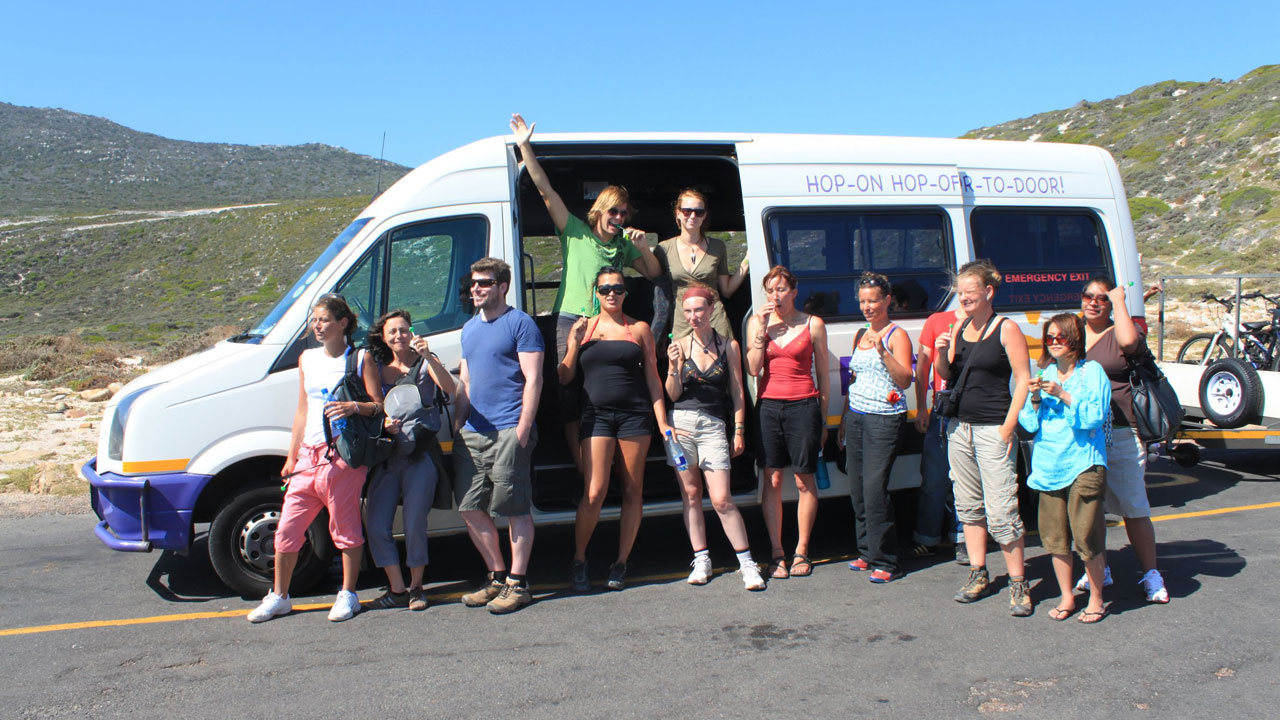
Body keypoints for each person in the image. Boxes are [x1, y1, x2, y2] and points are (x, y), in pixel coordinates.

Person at [510, 114, 660, 477]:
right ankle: (585, 471)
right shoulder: (575, 231)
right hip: (571, 319)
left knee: (599, 389)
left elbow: (654, 274)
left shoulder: (624, 244)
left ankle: (604, 461)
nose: (619, 217)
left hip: (609, 322)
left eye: (624, 213)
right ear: (599, 210)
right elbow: (546, 190)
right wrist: (525, 147)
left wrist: (644, 247)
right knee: (568, 391)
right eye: (613, 211)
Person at [247, 293, 383, 623]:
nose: (316, 326)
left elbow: (378, 406)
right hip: (308, 458)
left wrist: (353, 406)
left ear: (343, 323)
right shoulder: (307, 359)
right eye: (314, 321)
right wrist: (291, 457)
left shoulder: (359, 358)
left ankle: (348, 594)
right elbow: (302, 411)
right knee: (287, 531)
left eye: (323, 320)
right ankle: (279, 596)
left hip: (341, 458)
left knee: (345, 529)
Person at [561, 268, 673, 591]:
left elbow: (653, 378)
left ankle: (621, 562)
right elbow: (565, 376)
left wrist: (662, 421)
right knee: (594, 491)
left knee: (632, 489)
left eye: (618, 288)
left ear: (626, 293)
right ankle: (580, 558)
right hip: (595, 416)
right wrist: (574, 343)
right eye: (605, 289)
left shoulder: (638, 329)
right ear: (595, 294)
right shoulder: (584, 329)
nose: (612, 293)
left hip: (635, 416)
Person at [933, 260, 1033, 617]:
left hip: (993, 428)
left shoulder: (1007, 329)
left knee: (1002, 508)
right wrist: (941, 352)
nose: (963, 300)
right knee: (969, 506)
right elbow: (947, 374)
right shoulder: (959, 326)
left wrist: (1008, 428)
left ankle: (1018, 582)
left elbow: (1023, 379)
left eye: (969, 295)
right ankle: (978, 572)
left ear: (989, 292)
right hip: (960, 428)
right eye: (960, 295)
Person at [453, 258, 544, 614]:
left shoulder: (520, 324)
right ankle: (497, 576)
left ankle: (518, 585)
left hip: (509, 429)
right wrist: (460, 422)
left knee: (514, 508)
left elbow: (534, 380)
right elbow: (467, 381)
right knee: (469, 507)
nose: (476, 288)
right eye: (473, 283)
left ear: (502, 286)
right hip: (474, 432)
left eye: (485, 283)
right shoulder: (469, 329)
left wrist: (522, 430)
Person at [664, 282, 765, 591]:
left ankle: (747, 563)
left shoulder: (728, 346)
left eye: (699, 310)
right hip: (681, 426)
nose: (694, 316)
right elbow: (672, 394)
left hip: (713, 426)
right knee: (691, 496)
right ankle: (701, 558)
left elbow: (737, 391)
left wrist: (738, 429)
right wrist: (672, 366)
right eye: (688, 311)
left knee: (722, 499)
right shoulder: (679, 345)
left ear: (711, 310)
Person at [1079, 276, 1169, 603]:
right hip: (1085, 433)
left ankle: (1151, 574)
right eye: (1088, 296)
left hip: (1121, 430)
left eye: (1101, 298)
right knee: (1093, 508)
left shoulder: (1122, 331)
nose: (1093, 302)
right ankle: (1100, 569)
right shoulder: (1075, 333)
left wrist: (1120, 300)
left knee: (1133, 506)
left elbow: (1130, 344)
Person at [1019, 313, 1111, 623]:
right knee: (1055, 538)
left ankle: (1096, 599)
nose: (1054, 342)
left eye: (1060, 336)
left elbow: (1094, 416)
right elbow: (1029, 424)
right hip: (1049, 465)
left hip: (1084, 462)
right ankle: (1067, 596)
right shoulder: (1044, 372)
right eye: (1049, 337)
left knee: (1086, 536)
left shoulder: (1092, 372)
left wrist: (1062, 394)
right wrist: (1034, 397)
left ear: (1074, 339)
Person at [363, 310, 456, 612]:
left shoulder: (424, 362)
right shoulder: (377, 368)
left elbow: (452, 388)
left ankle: (417, 587)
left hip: (419, 455)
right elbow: (372, 408)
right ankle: (397, 587)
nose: (398, 336)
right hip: (387, 458)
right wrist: (382, 424)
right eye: (392, 332)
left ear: (411, 332)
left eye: (403, 330)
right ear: (383, 337)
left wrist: (429, 357)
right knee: (377, 524)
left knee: (415, 523)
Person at [745, 266, 831, 580]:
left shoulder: (813, 324)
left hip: (803, 405)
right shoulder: (760, 323)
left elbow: (823, 375)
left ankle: (802, 550)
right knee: (773, 480)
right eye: (771, 290)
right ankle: (777, 553)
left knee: (803, 480)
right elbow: (754, 370)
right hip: (768, 406)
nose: (776, 296)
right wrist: (761, 330)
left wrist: (822, 419)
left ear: (794, 292)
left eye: (781, 289)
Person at [839, 273, 913, 583]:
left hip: (885, 419)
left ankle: (888, 560)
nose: (867, 306)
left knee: (874, 490)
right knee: (857, 489)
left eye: (873, 300)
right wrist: (844, 419)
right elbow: (853, 380)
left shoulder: (897, 335)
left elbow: (906, 379)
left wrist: (883, 351)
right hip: (857, 416)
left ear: (887, 300)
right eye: (862, 301)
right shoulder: (860, 333)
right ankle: (867, 552)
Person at [652, 189, 749, 340]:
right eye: (687, 211)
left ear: (704, 216)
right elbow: (658, 287)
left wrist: (748, 259)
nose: (692, 216)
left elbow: (727, 290)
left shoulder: (718, 247)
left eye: (699, 212)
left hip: (714, 319)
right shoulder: (664, 248)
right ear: (678, 213)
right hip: (682, 321)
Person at [912, 303, 968, 564]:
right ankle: (927, 538)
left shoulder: (990, 322)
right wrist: (922, 407)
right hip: (941, 410)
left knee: (966, 481)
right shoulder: (937, 320)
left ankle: (963, 539)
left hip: (972, 412)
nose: (966, 297)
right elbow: (922, 366)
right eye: (963, 291)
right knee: (933, 480)